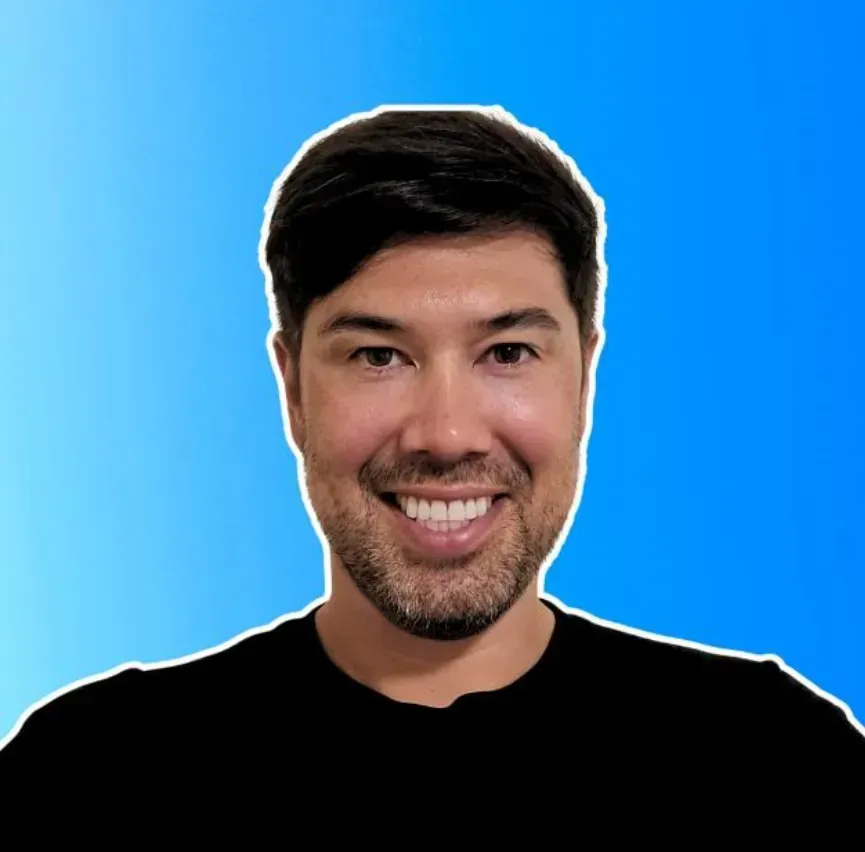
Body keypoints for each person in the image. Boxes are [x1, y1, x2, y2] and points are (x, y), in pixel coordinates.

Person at [1, 106, 862, 800]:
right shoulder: (89, 766)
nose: (446, 435)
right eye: (379, 356)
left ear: (583, 378)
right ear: (293, 388)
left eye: (507, 353)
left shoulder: (775, 753)